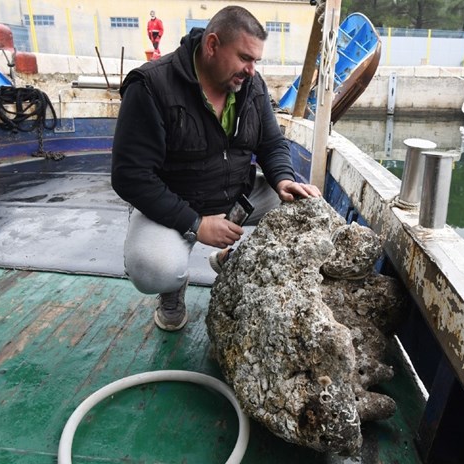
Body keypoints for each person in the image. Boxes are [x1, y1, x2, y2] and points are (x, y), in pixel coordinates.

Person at [111, 6, 321, 332]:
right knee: (152, 268)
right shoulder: (151, 86)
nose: (251, 70)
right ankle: (172, 291)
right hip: (176, 207)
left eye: (256, 61)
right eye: (244, 58)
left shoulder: (251, 86)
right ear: (212, 45)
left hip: (237, 196)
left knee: (304, 209)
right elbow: (129, 176)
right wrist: (196, 223)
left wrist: (283, 180)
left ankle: (231, 261)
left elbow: (272, 144)